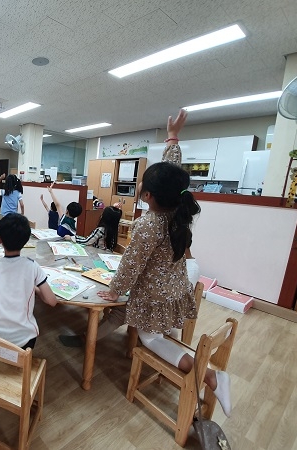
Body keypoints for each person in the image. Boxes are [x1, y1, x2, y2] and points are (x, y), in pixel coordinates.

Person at [98, 109, 232, 417]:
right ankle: (183, 369)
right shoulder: (178, 209)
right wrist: (172, 138)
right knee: (169, 331)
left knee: (150, 338)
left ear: (146, 194)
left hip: (155, 297)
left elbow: (131, 264)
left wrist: (115, 292)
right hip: (177, 288)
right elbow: (172, 173)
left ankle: (209, 376)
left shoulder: (149, 224)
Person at [0, 213, 57, 349]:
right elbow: (52, 301)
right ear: (26, 240)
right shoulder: (32, 266)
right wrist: (34, 289)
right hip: (24, 342)